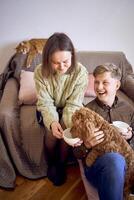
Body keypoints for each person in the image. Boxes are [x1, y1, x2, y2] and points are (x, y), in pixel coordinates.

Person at [34, 32, 88, 186]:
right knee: (52, 133)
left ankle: (61, 164)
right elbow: (44, 102)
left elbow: (74, 103)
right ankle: (52, 163)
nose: (62, 67)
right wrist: (52, 122)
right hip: (48, 106)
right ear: (47, 60)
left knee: (65, 129)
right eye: (55, 63)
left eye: (65, 61)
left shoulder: (80, 72)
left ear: (72, 56)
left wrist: (68, 126)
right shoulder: (39, 71)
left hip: (71, 107)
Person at [74, 63, 134, 200]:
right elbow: (76, 153)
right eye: (96, 82)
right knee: (115, 159)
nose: (99, 87)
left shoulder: (128, 109)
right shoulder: (86, 112)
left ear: (117, 85)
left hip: (129, 164)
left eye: (105, 82)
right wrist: (87, 145)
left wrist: (130, 136)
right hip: (100, 167)